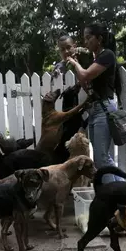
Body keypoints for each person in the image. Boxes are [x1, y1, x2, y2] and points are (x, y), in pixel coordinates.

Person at [66, 23, 126, 183]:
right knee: (103, 158)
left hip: (104, 110)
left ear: (99, 39)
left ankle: (118, 192)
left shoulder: (107, 55)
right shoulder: (98, 58)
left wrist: (74, 63)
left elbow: (85, 75)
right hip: (95, 110)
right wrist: (77, 64)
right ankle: (120, 192)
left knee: (102, 159)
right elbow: (87, 85)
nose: (85, 42)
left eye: (88, 38)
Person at [52, 35, 87, 164]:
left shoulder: (85, 62)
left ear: (74, 46)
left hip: (86, 110)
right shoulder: (58, 69)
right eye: (62, 49)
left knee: (84, 146)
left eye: (68, 48)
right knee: (66, 145)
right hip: (66, 113)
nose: (66, 52)